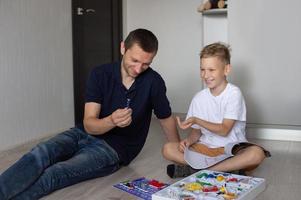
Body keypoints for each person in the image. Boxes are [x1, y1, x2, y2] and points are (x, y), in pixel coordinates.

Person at [0, 28, 180, 200]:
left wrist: (180, 152)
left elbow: (165, 118)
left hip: (115, 149)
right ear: (122, 48)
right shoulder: (100, 74)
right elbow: (89, 125)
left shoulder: (154, 82)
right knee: (40, 152)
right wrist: (111, 120)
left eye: (146, 64)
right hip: (82, 133)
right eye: (134, 60)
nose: (139, 69)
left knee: (55, 173)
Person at [162, 42, 269, 178]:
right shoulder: (199, 98)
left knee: (256, 154)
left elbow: (224, 130)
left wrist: (197, 120)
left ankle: (197, 170)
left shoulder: (234, 94)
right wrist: (188, 141)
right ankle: (227, 170)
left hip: (231, 150)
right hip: (205, 149)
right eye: (202, 69)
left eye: (211, 70)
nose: (206, 75)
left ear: (226, 69)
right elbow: (196, 133)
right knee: (168, 149)